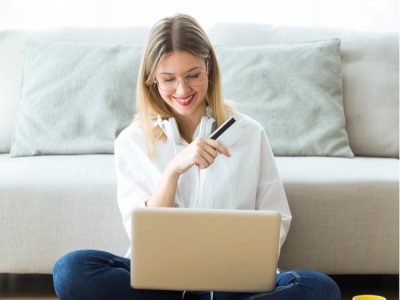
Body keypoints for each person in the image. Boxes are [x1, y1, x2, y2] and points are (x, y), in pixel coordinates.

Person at [52, 13, 341, 300]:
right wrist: (173, 172)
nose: (182, 90)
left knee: (320, 288)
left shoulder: (250, 133)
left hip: (232, 284)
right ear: (152, 80)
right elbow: (143, 241)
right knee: (70, 270)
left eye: (192, 75)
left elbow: (277, 218)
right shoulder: (132, 141)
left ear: (209, 69)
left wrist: (241, 264)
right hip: (162, 286)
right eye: (168, 79)